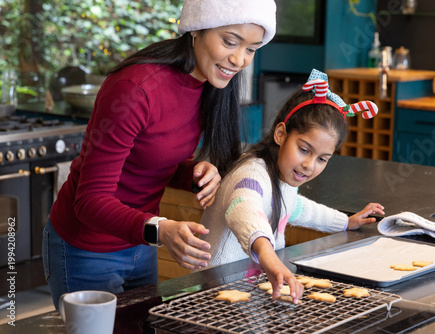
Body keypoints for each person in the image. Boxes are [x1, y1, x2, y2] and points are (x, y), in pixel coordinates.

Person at [42, 0, 277, 308]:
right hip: (87, 248)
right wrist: (160, 229)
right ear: (196, 30)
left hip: (140, 243)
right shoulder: (135, 89)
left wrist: (194, 173)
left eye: (252, 49)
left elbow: (151, 161)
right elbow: (89, 201)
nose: (239, 59)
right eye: (230, 42)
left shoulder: (209, 85)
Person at [199, 69, 385, 304]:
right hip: (215, 292)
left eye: (322, 159)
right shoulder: (252, 173)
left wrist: (345, 222)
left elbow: (296, 208)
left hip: (250, 289)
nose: (309, 165)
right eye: (304, 150)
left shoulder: (283, 179)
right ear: (280, 134)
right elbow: (243, 208)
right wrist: (268, 256)